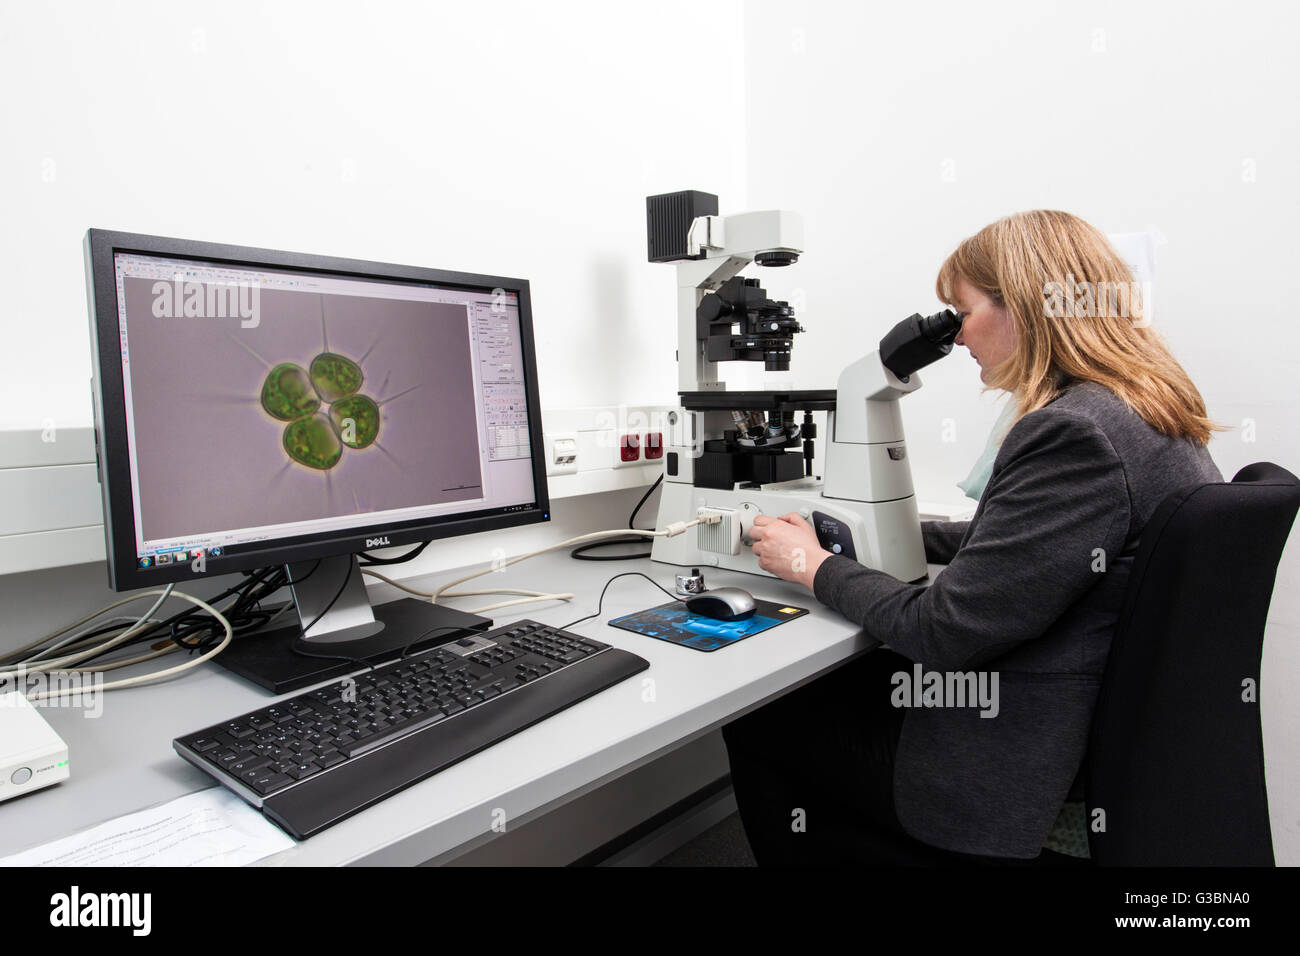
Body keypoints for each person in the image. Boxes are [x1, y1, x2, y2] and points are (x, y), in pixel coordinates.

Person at [723, 209, 1223, 865]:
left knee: (763, 715)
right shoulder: (1144, 409)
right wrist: (888, 533)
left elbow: (943, 629)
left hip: (1014, 763)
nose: (955, 337)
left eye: (960, 311)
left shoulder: (1074, 432)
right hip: (1101, 739)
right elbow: (1024, 545)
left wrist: (811, 567)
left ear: (1022, 306)